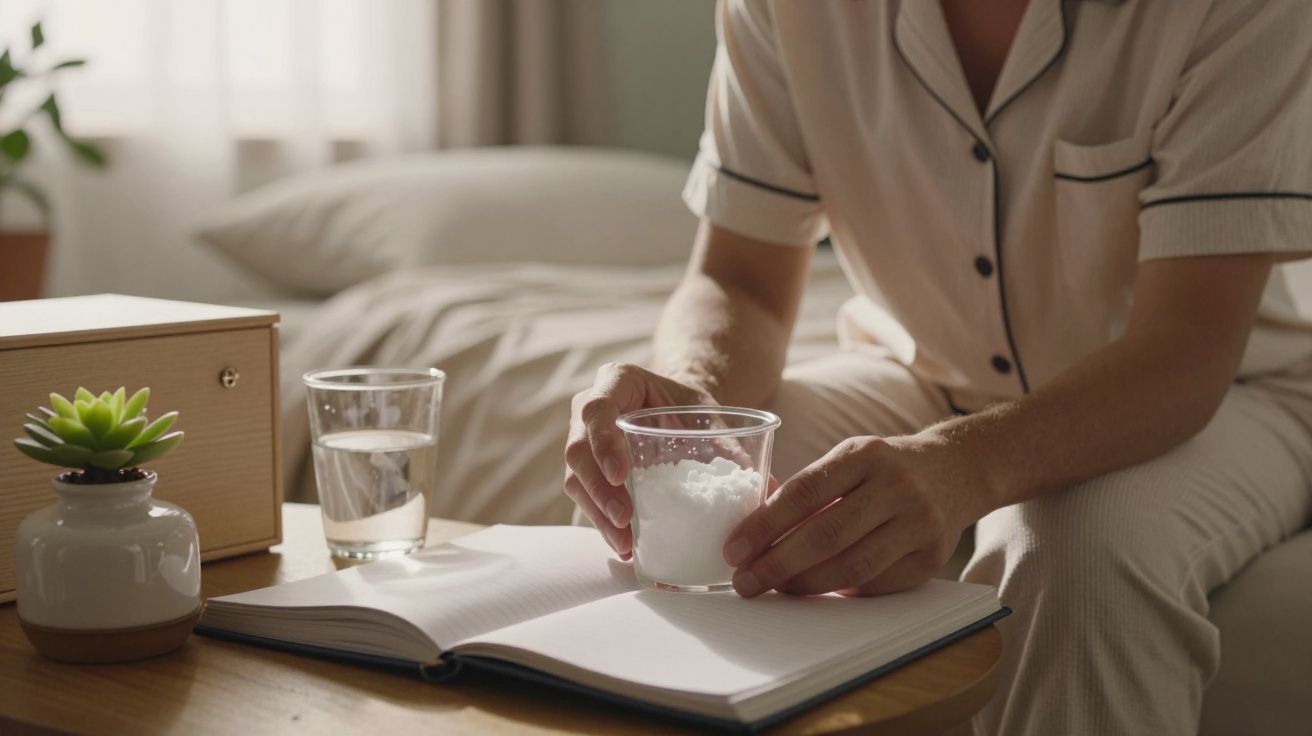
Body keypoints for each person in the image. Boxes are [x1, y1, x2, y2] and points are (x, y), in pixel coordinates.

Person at [562, 1, 1312, 733]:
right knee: (671, 502)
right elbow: (740, 280)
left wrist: (964, 468)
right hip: (922, 371)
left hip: (1223, 392)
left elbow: (1186, 345)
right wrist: (686, 419)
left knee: (1072, 553)